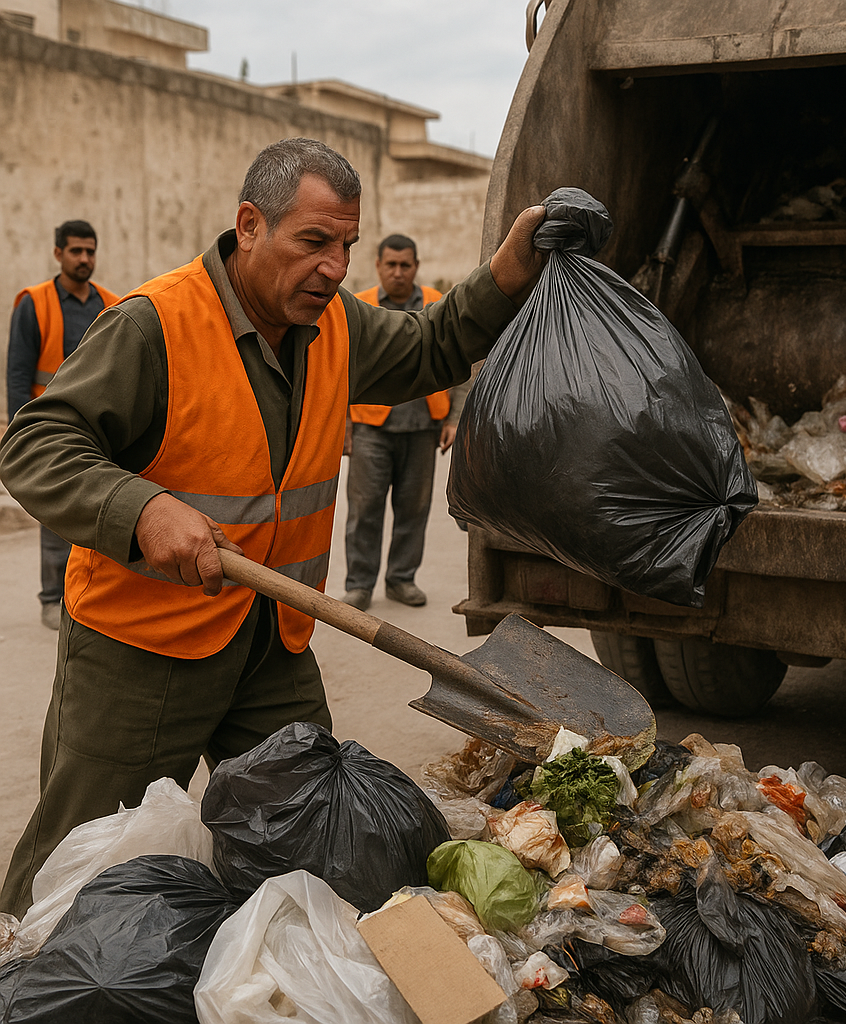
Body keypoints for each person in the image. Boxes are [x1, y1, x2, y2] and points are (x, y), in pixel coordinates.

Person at [0, 136, 545, 917]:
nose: (334, 267)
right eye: (314, 242)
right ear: (249, 225)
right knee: (76, 871)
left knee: (321, 833)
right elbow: (34, 444)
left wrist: (510, 270)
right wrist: (142, 508)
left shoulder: (338, 326)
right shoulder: (153, 325)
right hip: (143, 648)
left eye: (346, 247)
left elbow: (433, 346)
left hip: (270, 640)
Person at [6, 220, 119, 630]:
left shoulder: (111, 304)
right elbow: (18, 374)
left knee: (99, 512)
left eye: (90, 251)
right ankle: (52, 599)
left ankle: (87, 596)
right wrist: (21, 435)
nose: (84, 259)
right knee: (56, 516)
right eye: (76, 251)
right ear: (58, 254)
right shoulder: (33, 304)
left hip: (98, 427)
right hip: (48, 425)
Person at [344, 234, 461, 611]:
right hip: (370, 430)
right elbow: (336, 369)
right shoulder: (357, 306)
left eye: (405, 265)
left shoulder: (436, 304)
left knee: (414, 509)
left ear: (416, 266)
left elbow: (463, 362)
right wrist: (341, 428)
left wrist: (455, 418)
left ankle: (401, 580)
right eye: (390, 265)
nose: (398, 272)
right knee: (364, 510)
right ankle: (359, 584)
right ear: (378, 266)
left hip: (423, 429)